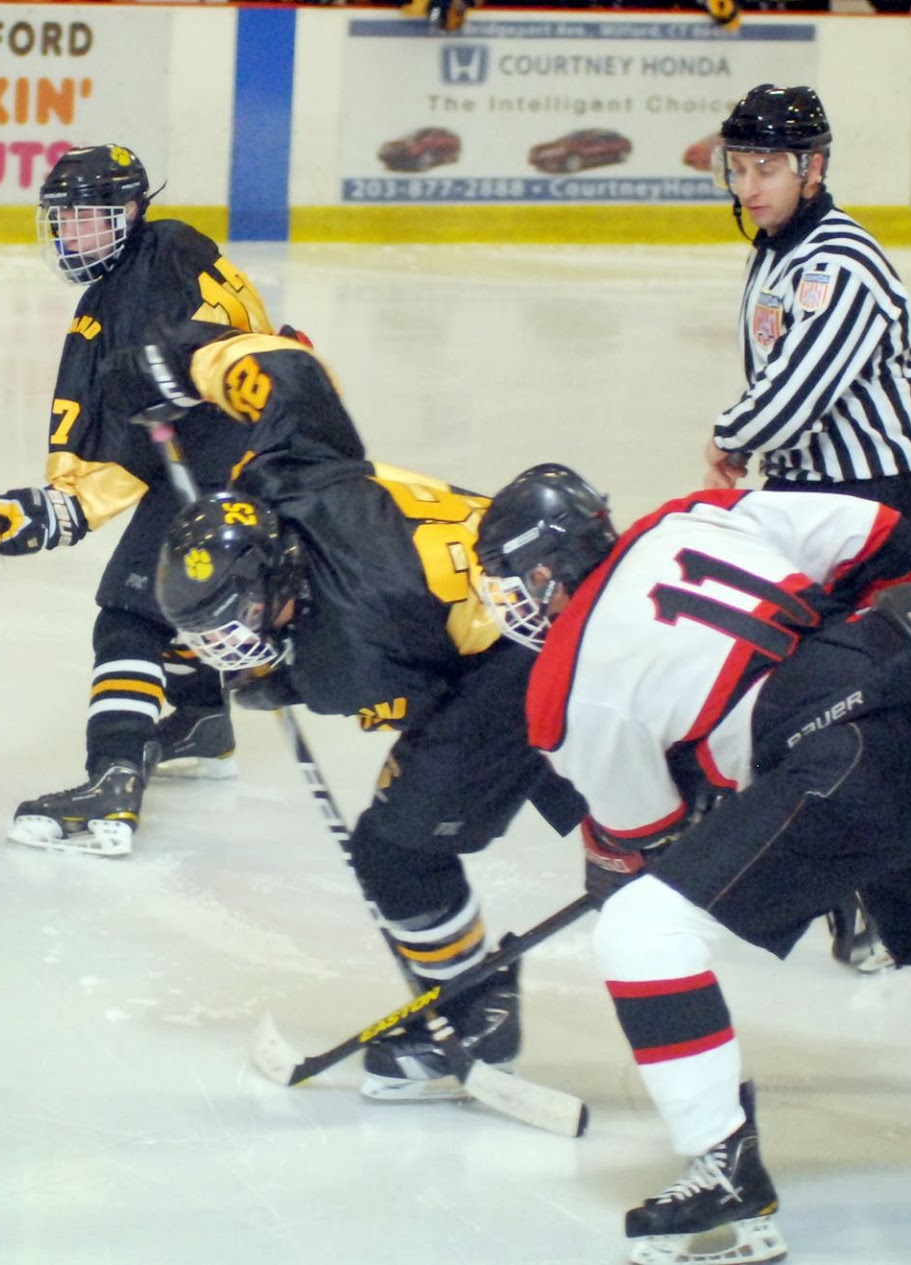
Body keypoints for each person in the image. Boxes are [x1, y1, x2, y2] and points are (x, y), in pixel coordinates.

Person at [474, 465, 911, 1265]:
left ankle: (724, 1170)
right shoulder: (690, 515)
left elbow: (648, 828)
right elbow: (879, 532)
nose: (516, 601)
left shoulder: (565, 682)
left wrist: (739, 774)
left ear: (546, 569)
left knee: (641, 929)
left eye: (515, 582)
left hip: (842, 766)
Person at [125, 325, 585, 1101]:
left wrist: (289, 675)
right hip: (521, 622)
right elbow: (286, 369)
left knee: (398, 851)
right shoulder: (290, 475)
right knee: (612, 800)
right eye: (216, 638)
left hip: (522, 654)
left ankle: (476, 1011)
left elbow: (409, 692)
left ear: (277, 584)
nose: (233, 651)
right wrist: (192, 354)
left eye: (238, 627)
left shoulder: (356, 643)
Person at [705, 83, 911, 973]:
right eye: (740, 164)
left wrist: (730, 439)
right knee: (810, 699)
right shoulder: (775, 251)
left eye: (768, 166)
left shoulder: (840, 260)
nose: (751, 182)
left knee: (877, 705)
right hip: (813, 506)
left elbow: (800, 387)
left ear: (813, 168)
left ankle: (892, 901)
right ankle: (841, 887)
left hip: (883, 510)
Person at [0, 144, 273, 857]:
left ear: (132, 212)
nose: (70, 232)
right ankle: (204, 719)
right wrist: (58, 503)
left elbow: (202, 350)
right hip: (238, 441)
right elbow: (92, 417)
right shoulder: (107, 296)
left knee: (131, 609)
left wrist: (73, 505)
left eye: (88, 216)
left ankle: (113, 773)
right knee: (178, 592)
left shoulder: (168, 249)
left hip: (235, 444)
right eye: (63, 218)